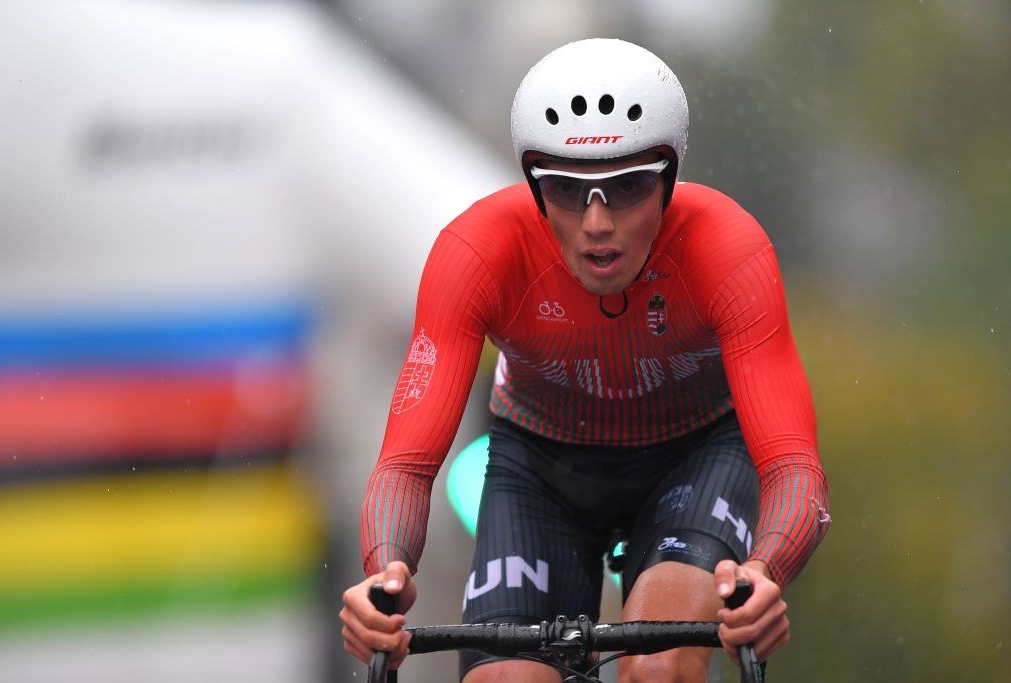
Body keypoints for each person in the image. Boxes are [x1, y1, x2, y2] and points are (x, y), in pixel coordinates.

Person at [340, 38, 831, 682]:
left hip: (696, 454)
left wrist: (764, 574)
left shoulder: (728, 249)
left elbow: (795, 468)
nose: (597, 224)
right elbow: (405, 466)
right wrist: (383, 576)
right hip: (543, 464)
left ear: (669, 178)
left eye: (626, 187)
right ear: (533, 186)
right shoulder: (475, 252)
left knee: (656, 665)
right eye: (569, 192)